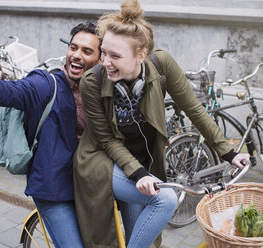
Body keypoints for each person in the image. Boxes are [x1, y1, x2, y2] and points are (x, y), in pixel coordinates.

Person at [73, 1, 251, 247]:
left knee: (141, 236)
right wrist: (138, 174)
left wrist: (228, 152)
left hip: (143, 164)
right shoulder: (92, 81)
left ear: (141, 55)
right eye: (103, 52)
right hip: (102, 161)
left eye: (115, 56)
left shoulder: (161, 65)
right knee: (165, 200)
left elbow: (194, 109)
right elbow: (107, 139)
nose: (105, 62)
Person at [0, 22, 101, 248]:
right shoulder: (47, 84)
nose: (76, 55)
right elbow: (11, 92)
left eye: (87, 51)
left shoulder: (101, 89)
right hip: (53, 187)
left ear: (101, 58)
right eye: (73, 48)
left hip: (88, 186)